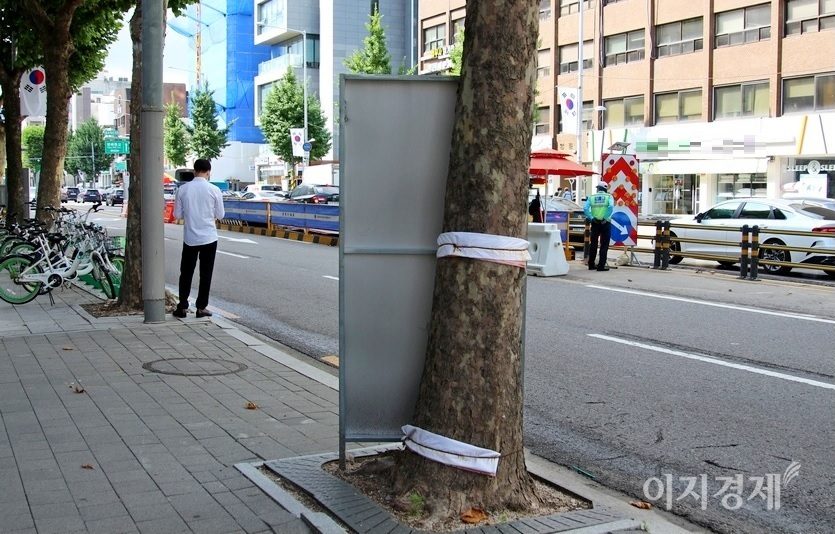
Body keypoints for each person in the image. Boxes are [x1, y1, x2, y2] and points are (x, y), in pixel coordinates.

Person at [172, 159, 225, 318]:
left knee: (186, 272)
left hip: (190, 237)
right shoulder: (214, 190)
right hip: (209, 237)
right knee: (206, 274)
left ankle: (182, 306)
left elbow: (177, 215)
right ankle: (201, 308)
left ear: (194, 171)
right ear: (209, 172)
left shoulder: (183, 190)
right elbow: (220, 215)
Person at [583, 182, 615, 271]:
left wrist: (592, 218)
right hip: (605, 223)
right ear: (605, 189)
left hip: (595, 223)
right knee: (604, 244)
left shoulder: (592, 197)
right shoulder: (609, 197)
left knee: (593, 244)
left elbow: (585, 208)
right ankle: (601, 265)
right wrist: (605, 217)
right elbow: (611, 206)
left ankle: (591, 264)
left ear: (598, 188)